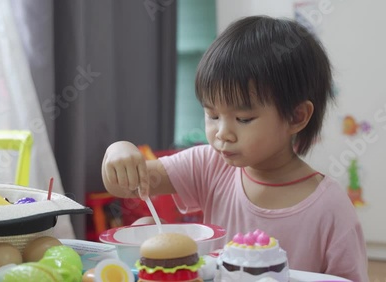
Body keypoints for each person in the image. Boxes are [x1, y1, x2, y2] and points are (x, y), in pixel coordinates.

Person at [102, 15, 368, 282]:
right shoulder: (208, 164)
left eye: (243, 119)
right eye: (212, 115)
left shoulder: (331, 208)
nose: (222, 133)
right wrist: (119, 152)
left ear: (296, 117)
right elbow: (125, 185)